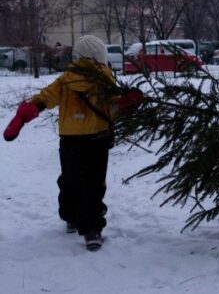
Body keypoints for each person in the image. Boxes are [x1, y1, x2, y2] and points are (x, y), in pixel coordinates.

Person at [3, 35, 143, 251]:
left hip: (70, 139)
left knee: (71, 178)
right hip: (98, 137)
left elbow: (45, 98)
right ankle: (92, 229)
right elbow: (112, 109)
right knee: (94, 182)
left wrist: (25, 114)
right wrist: (127, 103)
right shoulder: (104, 79)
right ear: (100, 56)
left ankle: (71, 215)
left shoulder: (66, 79)